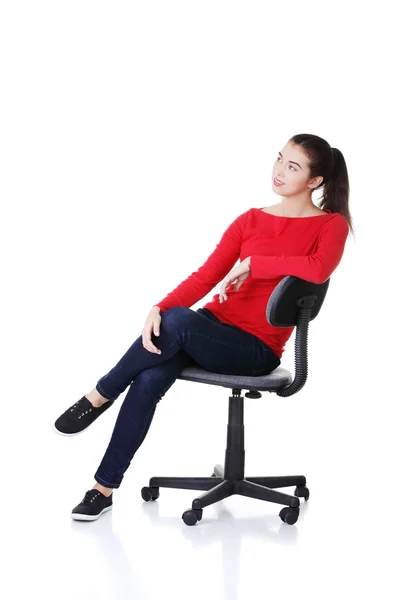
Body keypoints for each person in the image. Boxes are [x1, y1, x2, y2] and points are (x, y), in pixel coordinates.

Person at [54, 133, 354, 521]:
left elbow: (318, 268)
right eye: (279, 159)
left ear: (315, 181)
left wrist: (255, 264)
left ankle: (100, 393)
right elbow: (206, 276)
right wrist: (159, 307)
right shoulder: (249, 219)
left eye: (292, 166)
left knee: (177, 322)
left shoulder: (330, 225)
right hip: (209, 328)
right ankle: (103, 489)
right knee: (150, 375)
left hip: (255, 348)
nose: (279, 171)